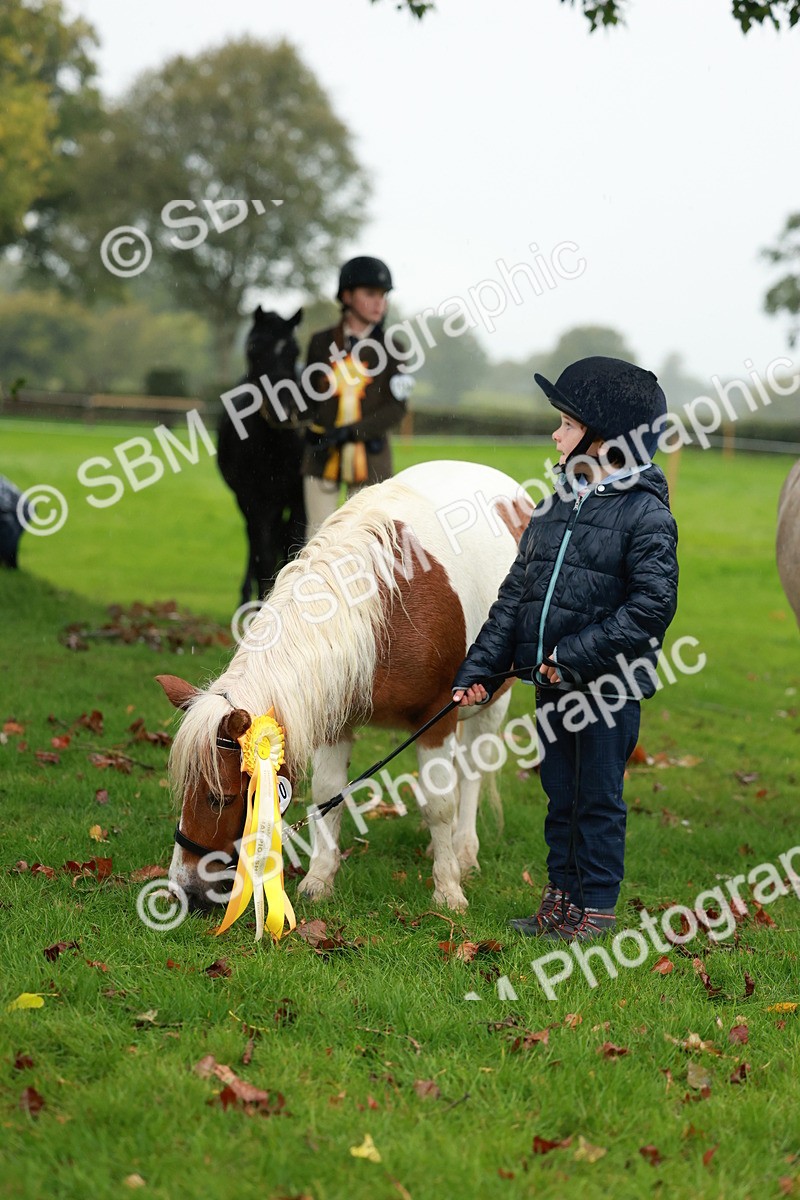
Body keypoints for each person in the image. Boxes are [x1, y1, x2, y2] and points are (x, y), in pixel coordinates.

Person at [452, 357, 679, 944]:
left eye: (567, 425)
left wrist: (575, 654)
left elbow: (651, 608)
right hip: (553, 684)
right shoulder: (555, 505)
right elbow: (515, 597)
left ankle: (596, 909)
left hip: (605, 688)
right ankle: (560, 900)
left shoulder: (646, 513)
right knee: (561, 795)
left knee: (597, 799)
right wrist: (481, 669)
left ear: (607, 439)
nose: (555, 435)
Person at [301, 256, 413, 537]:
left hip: (371, 459)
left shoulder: (394, 348)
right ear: (347, 296)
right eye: (371, 294)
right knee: (316, 538)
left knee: (364, 542)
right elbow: (309, 397)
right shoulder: (320, 342)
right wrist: (309, 429)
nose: (380, 303)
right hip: (322, 455)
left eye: (383, 296)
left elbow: (397, 408)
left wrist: (353, 432)